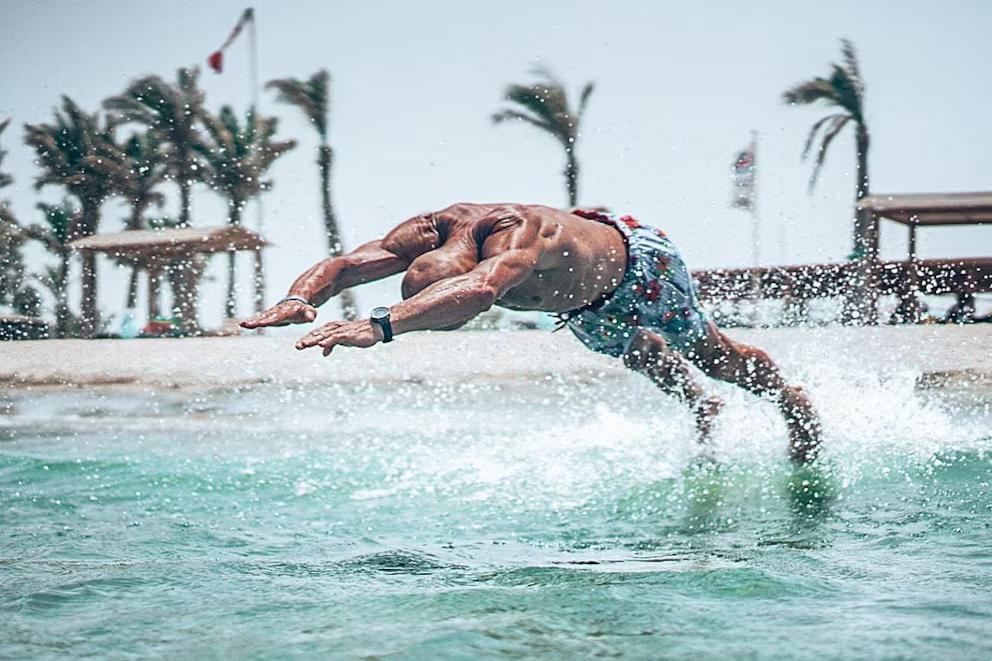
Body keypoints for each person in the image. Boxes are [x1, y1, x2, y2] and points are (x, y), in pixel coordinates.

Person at [241, 203, 821, 462]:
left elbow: (482, 292)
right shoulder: (428, 231)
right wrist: (298, 298)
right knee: (643, 359)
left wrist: (379, 326)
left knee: (711, 355)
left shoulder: (514, 240)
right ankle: (702, 408)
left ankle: (791, 403)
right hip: (586, 304)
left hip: (639, 269)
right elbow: (345, 264)